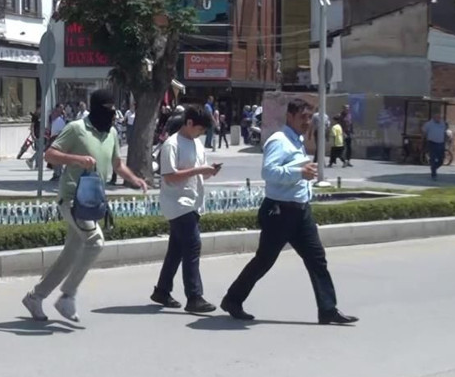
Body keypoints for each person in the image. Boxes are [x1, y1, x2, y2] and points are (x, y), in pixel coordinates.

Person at [220, 99, 358, 325]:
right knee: (264, 260)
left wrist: (304, 180)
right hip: (279, 211)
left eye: (310, 117)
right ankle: (232, 299)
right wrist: (298, 172)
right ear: (290, 116)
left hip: (300, 210)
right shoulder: (279, 140)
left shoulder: (298, 140)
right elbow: (269, 172)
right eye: (303, 117)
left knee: (317, 259)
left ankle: (328, 309)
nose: (307, 122)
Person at [22, 89, 148, 322]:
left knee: (70, 255)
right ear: (97, 109)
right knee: (95, 241)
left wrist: (134, 178)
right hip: (71, 199)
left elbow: (117, 164)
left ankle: (35, 296)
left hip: (91, 203)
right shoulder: (76, 129)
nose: (111, 116)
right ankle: (67, 296)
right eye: (107, 110)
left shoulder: (110, 133)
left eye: (113, 111)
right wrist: (78, 160)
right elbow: (49, 155)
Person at [151, 106, 220, 314]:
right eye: (199, 129)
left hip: (193, 201)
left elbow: (199, 173)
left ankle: (162, 290)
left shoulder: (197, 144)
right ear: (189, 123)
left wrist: (209, 172)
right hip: (177, 203)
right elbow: (170, 176)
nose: (201, 134)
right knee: (192, 247)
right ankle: (194, 296)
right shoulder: (171, 144)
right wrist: (200, 170)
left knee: (177, 250)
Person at [422, 112, 448, 181]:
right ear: (433, 118)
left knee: (441, 160)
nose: (439, 119)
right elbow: (424, 133)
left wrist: (446, 140)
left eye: (440, 117)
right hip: (432, 143)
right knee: (433, 158)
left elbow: (444, 132)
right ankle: (434, 174)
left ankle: (434, 167)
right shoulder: (428, 124)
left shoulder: (443, 123)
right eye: (437, 117)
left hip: (441, 143)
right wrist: (423, 141)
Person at [49, 104, 67, 181]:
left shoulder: (62, 116)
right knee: (54, 157)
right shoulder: (53, 115)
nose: (62, 109)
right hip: (54, 137)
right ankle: (56, 173)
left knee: (59, 157)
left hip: (61, 137)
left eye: (62, 108)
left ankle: (59, 173)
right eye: (60, 108)